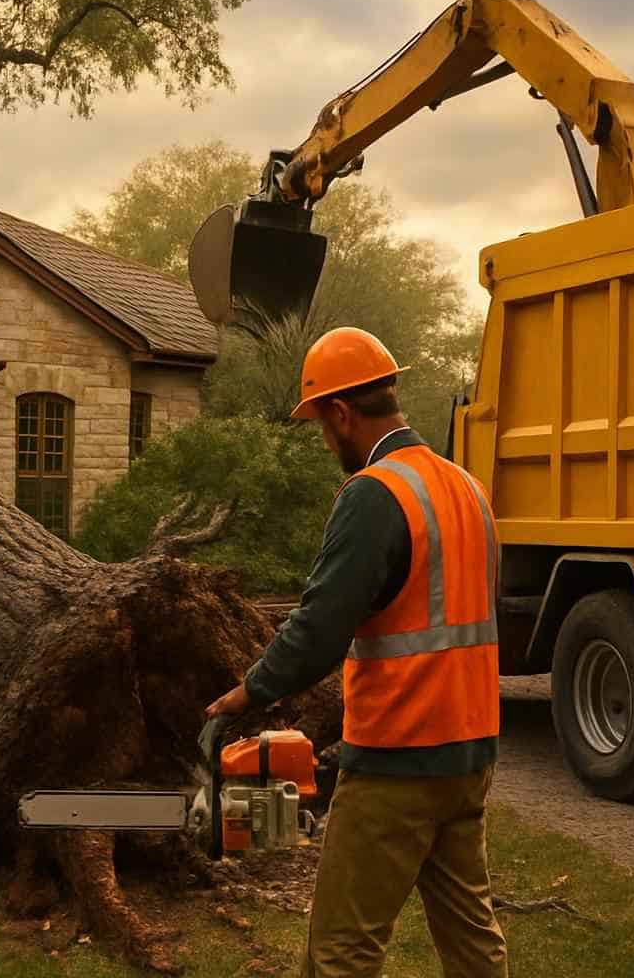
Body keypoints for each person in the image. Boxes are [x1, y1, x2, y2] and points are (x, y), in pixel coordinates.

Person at [206, 326, 508, 978]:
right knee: (471, 937)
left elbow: (319, 627)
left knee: (342, 950)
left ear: (342, 413)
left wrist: (250, 690)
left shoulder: (375, 494)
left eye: (321, 424)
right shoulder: (467, 489)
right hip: (470, 751)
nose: (324, 439)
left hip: (399, 757)